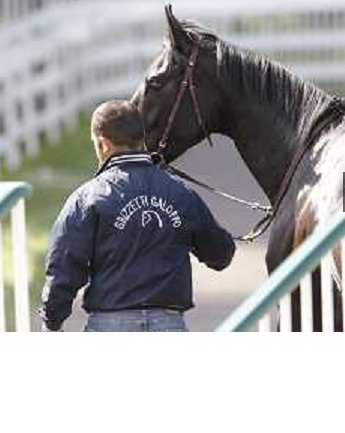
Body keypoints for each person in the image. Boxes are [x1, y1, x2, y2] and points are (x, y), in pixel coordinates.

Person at [39, 100, 235, 332]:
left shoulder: (87, 198)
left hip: (109, 325)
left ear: (103, 145)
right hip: (169, 324)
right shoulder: (180, 193)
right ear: (142, 140)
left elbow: (64, 265)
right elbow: (220, 254)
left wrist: (52, 320)